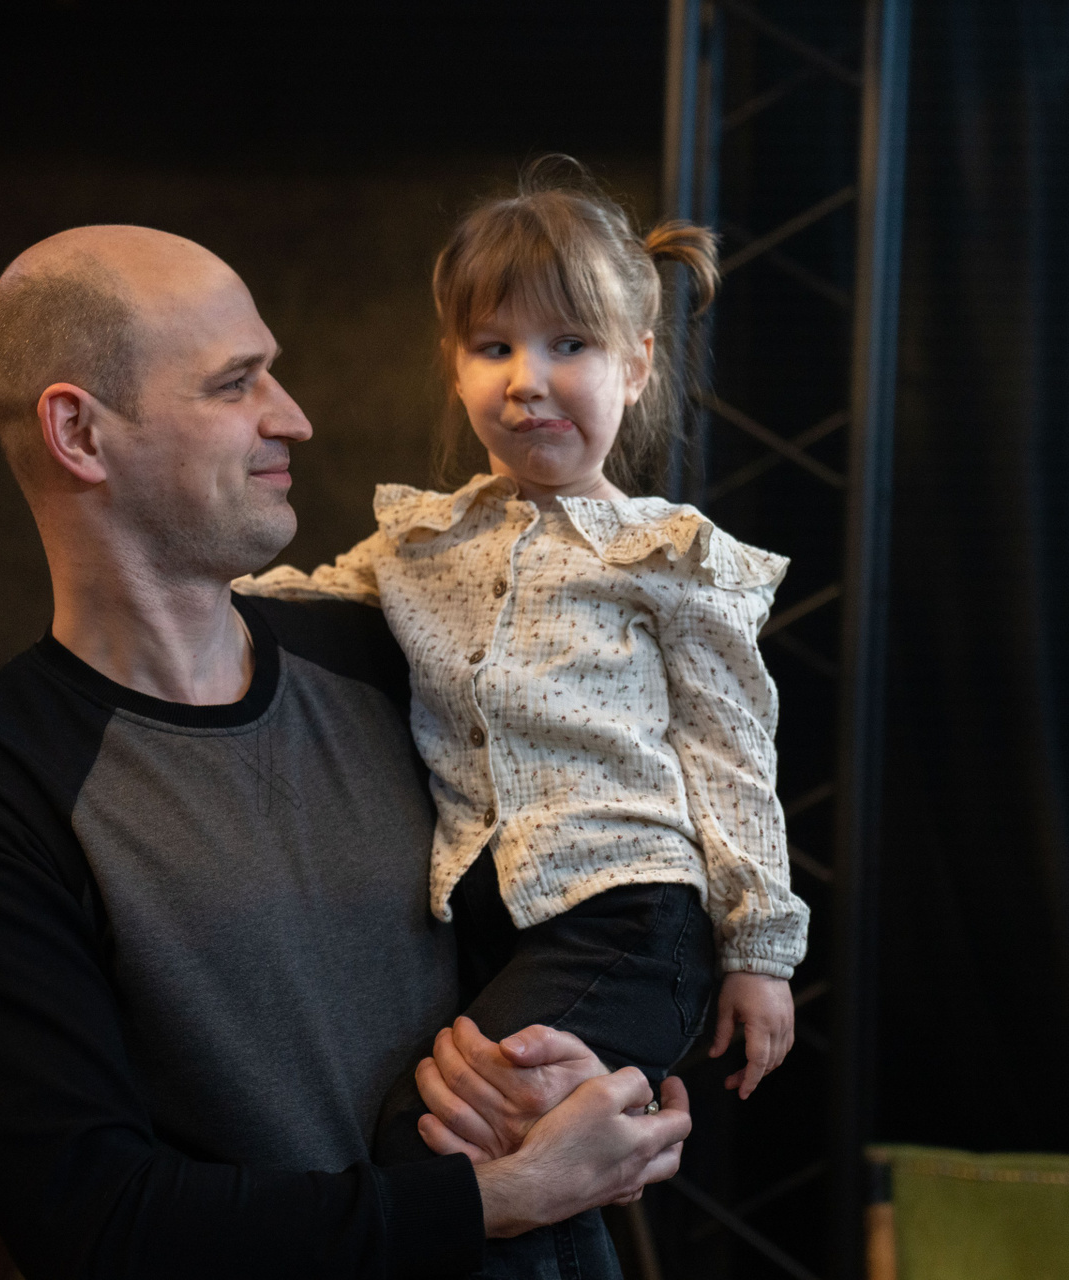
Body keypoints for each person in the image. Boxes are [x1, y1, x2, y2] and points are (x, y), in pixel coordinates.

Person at [0, 223, 691, 1280]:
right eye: (236, 384)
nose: (293, 416)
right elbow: (99, 1225)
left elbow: (595, 908)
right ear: (79, 433)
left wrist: (588, 1072)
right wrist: (497, 1198)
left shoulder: (400, 657)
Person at [240, 163, 810, 1180]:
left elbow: (730, 754)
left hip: (630, 919)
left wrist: (760, 953)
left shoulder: (667, 555)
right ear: (454, 366)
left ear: (636, 363)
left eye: (569, 345)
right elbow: (309, 598)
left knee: (437, 1140)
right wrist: (195, 588)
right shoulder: (423, 542)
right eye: (493, 346)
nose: (526, 379)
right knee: (507, 1158)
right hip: (488, 926)